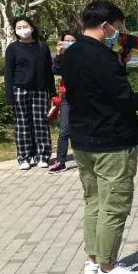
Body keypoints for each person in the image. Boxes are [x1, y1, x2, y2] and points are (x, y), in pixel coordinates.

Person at [60, 0, 138, 274]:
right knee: (114, 205)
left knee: (94, 202)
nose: (120, 33)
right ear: (105, 25)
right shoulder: (102, 58)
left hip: (83, 140)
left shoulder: (69, 54)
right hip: (110, 141)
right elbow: (125, 99)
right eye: (119, 27)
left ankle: (93, 260)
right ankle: (108, 268)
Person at [4, 17, 56, 170]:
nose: (22, 30)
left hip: (40, 90)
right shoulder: (12, 48)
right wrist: (9, 95)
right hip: (20, 90)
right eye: (18, 27)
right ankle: (24, 157)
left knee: (41, 123)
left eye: (25, 26)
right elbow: (8, 73)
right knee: (23, 124)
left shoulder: (42, 47)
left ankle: (43, 156)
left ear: (32, 28)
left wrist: (52, 92)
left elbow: (48, 71)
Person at [49, 31, 78, 173]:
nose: (70, 43)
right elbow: (56, 70)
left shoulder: (83, 55)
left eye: (73, 41)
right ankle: (60, 161)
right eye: (67, 41)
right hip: (67, 97)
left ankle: (88, 157)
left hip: (84, 97)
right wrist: (59, 54)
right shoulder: (62, 57)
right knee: (64, 130)